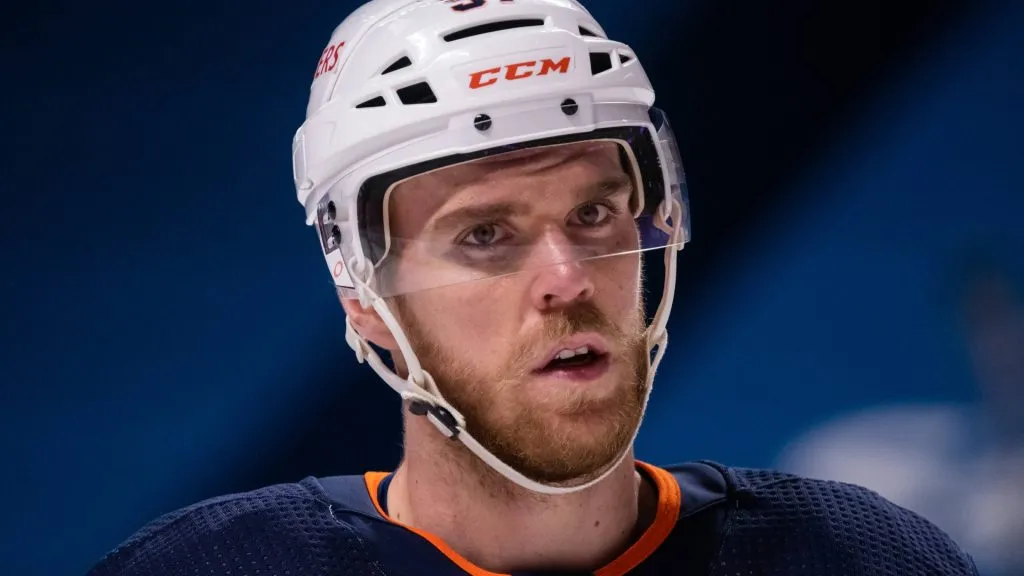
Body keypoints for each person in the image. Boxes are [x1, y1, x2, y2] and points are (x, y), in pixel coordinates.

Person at [88, 0, 981, 574]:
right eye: (485, 234)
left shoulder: (857, 558)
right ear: (364, 296)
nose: (565, 279)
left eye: (594, 215)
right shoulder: (221, 568)